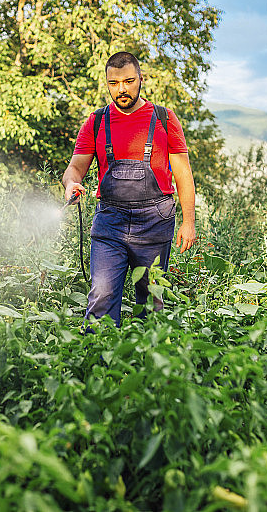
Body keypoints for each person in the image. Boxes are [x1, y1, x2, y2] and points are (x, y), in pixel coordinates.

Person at [62, 51, 196, 327]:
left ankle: (145, 367)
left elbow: (183, 172)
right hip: (110, 222)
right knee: (101, 296)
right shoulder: (96, 122)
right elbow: (75, 168)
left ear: (140, 80)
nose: (121, 89)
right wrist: (70, 184)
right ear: (107, 83)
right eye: (114, 83)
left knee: (151, 301)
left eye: (128, 81)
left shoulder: (163, 118)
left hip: (155, 222)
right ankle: (98, 365)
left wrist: (189, 222)